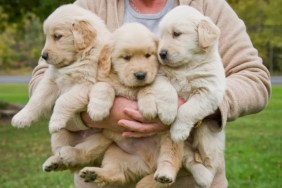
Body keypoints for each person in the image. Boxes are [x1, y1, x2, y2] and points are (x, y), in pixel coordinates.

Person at [29, 0, 271, 187]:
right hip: (103, 175)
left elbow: (254, 77)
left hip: (188, 182)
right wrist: (94, 116)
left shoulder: (208, 5)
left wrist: (197, 106)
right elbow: (42, 80)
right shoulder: (89, 6)